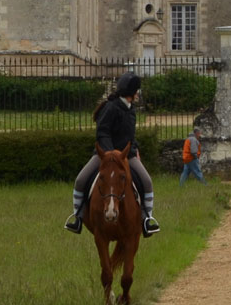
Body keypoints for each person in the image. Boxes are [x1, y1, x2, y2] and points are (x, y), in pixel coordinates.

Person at [64, 71, 160, 237]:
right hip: (105, 155)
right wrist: (110, 154)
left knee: (147, 181)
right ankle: (77, 218)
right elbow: (102, 133)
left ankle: (147, 219)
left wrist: (135, 151)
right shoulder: (110, 107)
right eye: (136, 90)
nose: (138, 93)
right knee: (80, 180)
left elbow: (131, 136)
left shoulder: (131, 110)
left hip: (127, 155)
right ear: (131, 92)